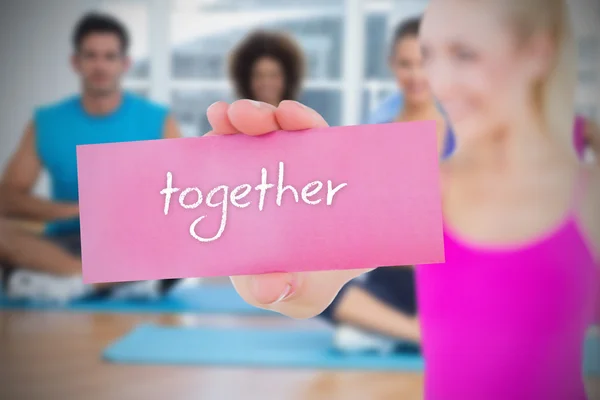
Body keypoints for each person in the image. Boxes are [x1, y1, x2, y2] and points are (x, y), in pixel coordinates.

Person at [208, 0, 599, 398]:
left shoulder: (587, 196)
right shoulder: (429, 190)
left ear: (538, 51)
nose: (439, 81)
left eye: (464, 54)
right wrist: (294, 278)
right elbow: (325, 276)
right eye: (430, 56)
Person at [0, 13, 182, 302]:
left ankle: (69, 280)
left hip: (131, 241)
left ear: (125, 64)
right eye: (91, 56)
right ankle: (100, 280)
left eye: (110, 57)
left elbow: (185, 196)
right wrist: (78, 211)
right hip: (65, 244)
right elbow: (7, 199)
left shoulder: (158, 120)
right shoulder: (46, 122)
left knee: (180, 242)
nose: (100, 65)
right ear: (76, 62)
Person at [229, 30, 305, 107]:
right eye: (258, 75)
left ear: (288, 79)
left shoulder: (301, 117)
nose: (266, 82)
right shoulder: (235, 117)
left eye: (274, 75)